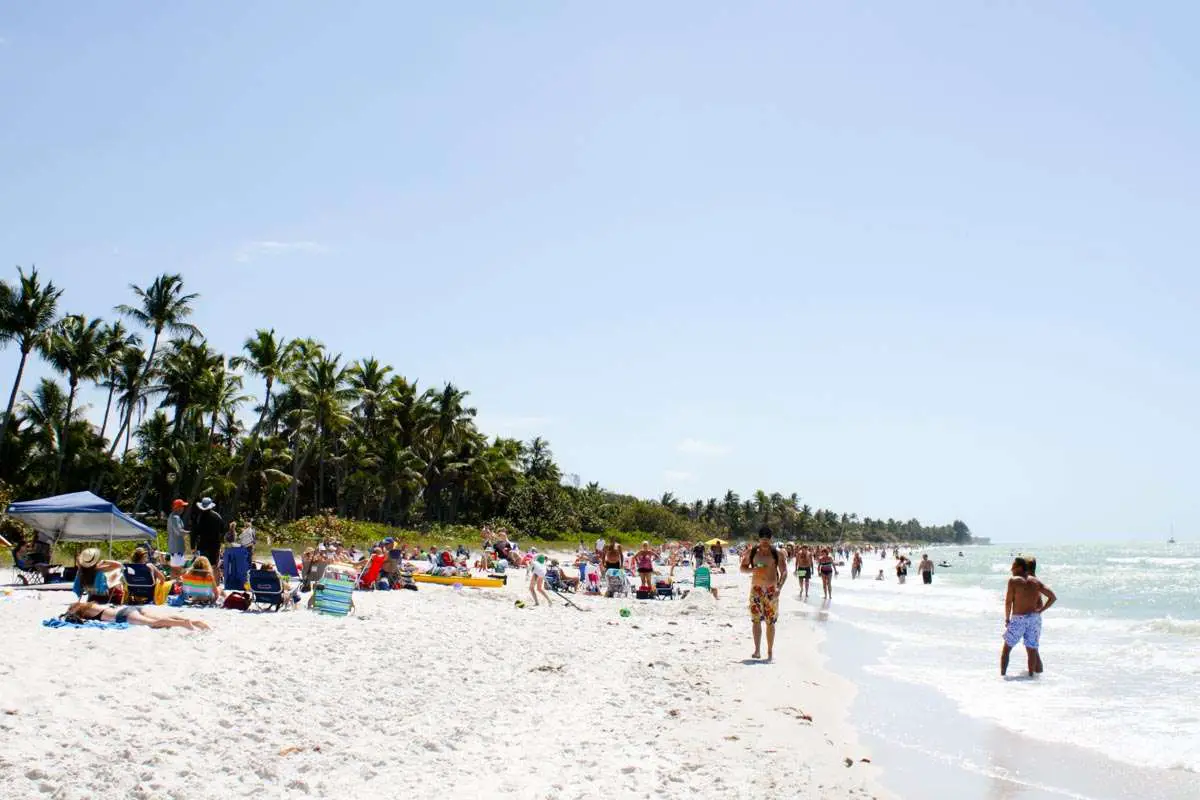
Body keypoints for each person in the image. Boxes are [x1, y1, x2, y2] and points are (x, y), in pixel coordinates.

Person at [1002, 556, 1057, 677]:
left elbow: (1008, 602)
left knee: (1010, 648)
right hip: (1034, 618)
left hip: (1021, 618)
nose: (1011, 569)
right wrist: (1038, 611)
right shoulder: (1035, 581)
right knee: (1033, 650)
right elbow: (1049, 598)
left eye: (1013, 566)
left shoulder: (1018, 580)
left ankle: (1003, 677)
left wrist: (1007, 618)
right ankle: (1035, 677)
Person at [740, 526, 787, 661]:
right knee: (755, 620)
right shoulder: (752, 552)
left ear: (771, 540)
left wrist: (779, 588)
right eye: (762, 541)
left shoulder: (777, 553)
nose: (765, 544)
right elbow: (742, 568)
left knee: (770, 622)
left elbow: (784, 572)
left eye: (767, 541)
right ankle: (757, 650)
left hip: (772, 590)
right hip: (756, 589)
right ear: (759, 539)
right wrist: (752, 570)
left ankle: (770, 651)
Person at [62, 600, 211, 630]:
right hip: (130, 608)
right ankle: (196, 622)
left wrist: (70, 612)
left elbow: (73, 617)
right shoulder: (92, 605)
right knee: (159, 619)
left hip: (123, 615)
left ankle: (183, 623)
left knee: (152, 623)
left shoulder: (85, 610)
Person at [191, 497, 224, 582]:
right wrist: (220, 544)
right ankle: (216, 586)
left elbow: (194, 533)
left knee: (202, 566)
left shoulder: (199, 517)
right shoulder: (217, 517)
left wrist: (192, 546)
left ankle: (203, 584)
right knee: (214, 566)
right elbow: (222, 531)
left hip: (203, 546)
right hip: (215, 546)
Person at [167, 499, 190, 579]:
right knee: (178, 570)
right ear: (177, 507)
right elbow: (179, 531)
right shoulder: (175, 517)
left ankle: (173, 587)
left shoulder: (172, 516)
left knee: (175, 569)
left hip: (174, 548)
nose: (183, 508)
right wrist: (189, 533)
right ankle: (176, 588)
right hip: (177, 548)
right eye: (182, 506)